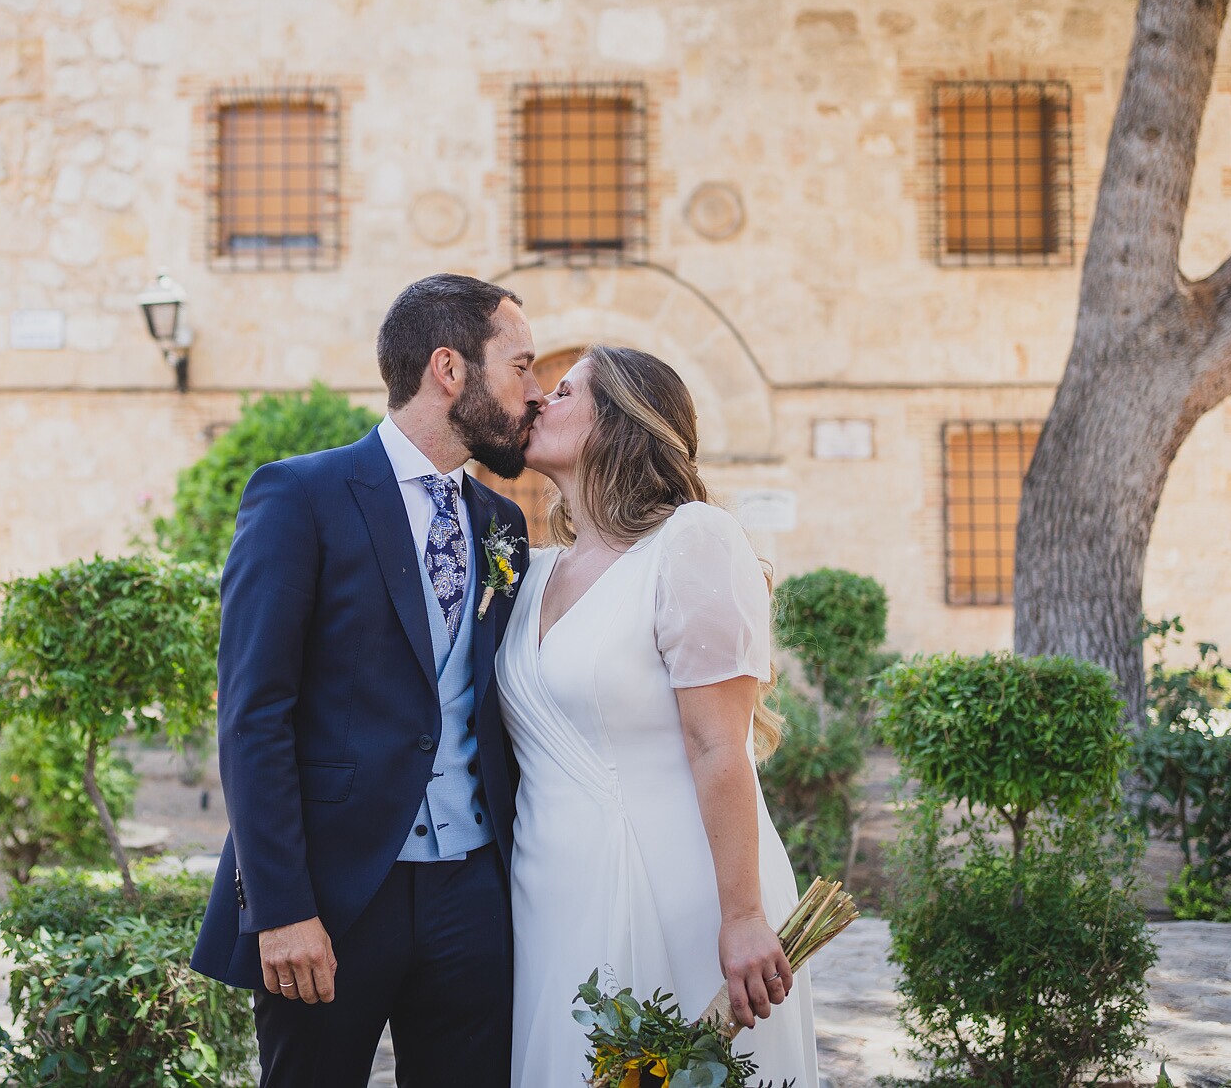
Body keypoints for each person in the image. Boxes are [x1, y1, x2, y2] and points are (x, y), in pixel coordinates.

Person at [190, 273, 545, 1088]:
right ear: (450, 370)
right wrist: (280, 908)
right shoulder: (300, 495)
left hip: (472, 892)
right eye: (519, 367)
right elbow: (253, 715)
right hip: (334, 893)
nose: (533, 392)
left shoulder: (503, 525)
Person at [498, 344, 820, 1088]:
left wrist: (741, 914)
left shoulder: (692, 540)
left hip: (677, 884)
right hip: (548, 892)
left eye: (567, 389)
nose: (541, 399)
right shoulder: (534, 567)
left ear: (622, 420)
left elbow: (718, 743)